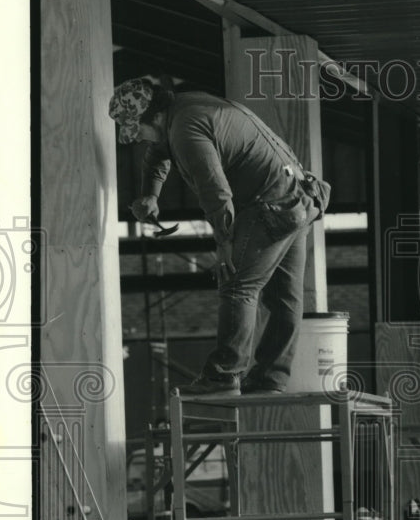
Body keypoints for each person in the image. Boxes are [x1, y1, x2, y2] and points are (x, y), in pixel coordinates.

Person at [108, 77, 330, 395]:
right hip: (298, 197)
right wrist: (150, 195)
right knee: (285, 298)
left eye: (138, 130)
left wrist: (224, 243)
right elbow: (157, 153)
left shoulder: (185, 130)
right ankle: (270, 378)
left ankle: (223, 376)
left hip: (270, 205)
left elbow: (216, 191)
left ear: (151, 117)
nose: (140, 139)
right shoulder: (183, 107)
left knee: (237, 284)